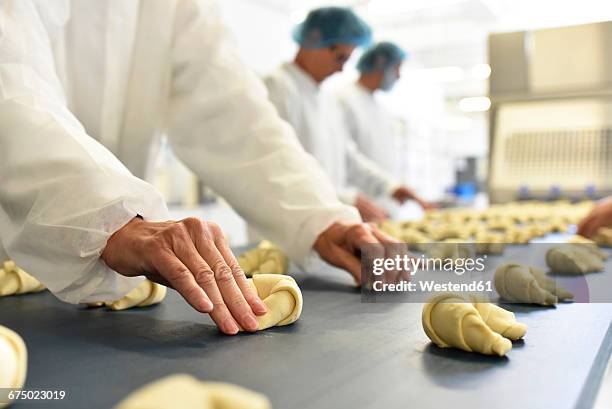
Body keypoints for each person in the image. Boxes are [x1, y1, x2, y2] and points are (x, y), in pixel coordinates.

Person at [0, 0, 399, 336]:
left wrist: (317, 216)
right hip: (15, 255)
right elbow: (11, 90)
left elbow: (232, 114)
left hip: (122, 279)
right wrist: (102, 215)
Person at [264, 8, 432, 223]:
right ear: (314, 42)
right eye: (340, 58)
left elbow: (348, 159)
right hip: (285, 225)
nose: (341, 70)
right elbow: (281, 166)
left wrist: (392, 187)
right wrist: (346, 197)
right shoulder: (277, 88)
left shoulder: (324, 98)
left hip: (323, 224)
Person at [336, 42, 433, 210]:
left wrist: (393, 187)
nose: (398, 76)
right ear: (380, 64)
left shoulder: (379, 107)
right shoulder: (343, 100)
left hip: (382, 201)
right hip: (355, 203)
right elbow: (346, 159)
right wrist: (348, 198)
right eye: (396, 69)